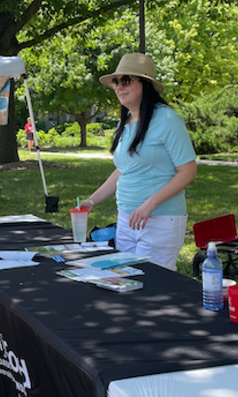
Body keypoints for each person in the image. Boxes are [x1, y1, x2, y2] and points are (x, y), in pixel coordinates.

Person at [79, 53, 197, 271]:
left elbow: (188, 172)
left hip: (160, 221)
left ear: (145, 84)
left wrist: (150, 204)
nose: (119, 87)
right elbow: (123, 170)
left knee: (153, 287)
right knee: (126, 281)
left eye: (126, 80)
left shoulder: (167, 119)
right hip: (126, 219)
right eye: (116, 81)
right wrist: (91, 202)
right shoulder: (125, 122)